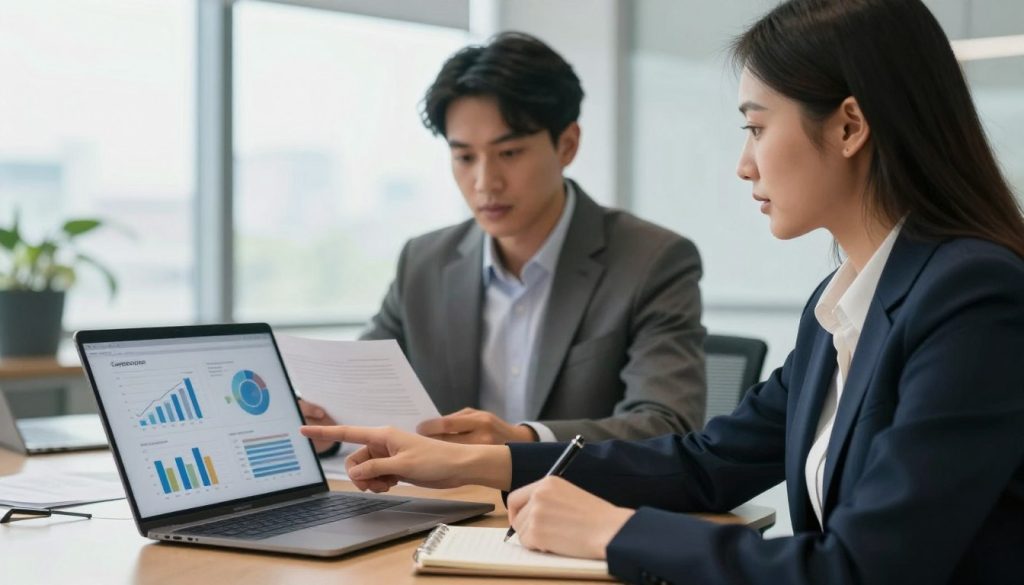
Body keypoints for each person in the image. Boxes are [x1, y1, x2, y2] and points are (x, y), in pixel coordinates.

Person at [301, 0, 1024, 583]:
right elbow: (707, 462)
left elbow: (862, 567)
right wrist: (483, 460)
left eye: (756, 127)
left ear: (849, 125)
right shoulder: (839, 307)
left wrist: (612, 531)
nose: (744, 165)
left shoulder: (973, 299)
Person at [303, 32, 706, 450]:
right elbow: (356, 393)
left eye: (509, 153)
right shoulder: (423, 261)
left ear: (566, 145)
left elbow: (666, 424)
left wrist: (521, 441)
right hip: (453, 508)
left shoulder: (652, 260)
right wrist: (322, 429)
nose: (484, 182)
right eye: (464, 157)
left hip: (578, 506)